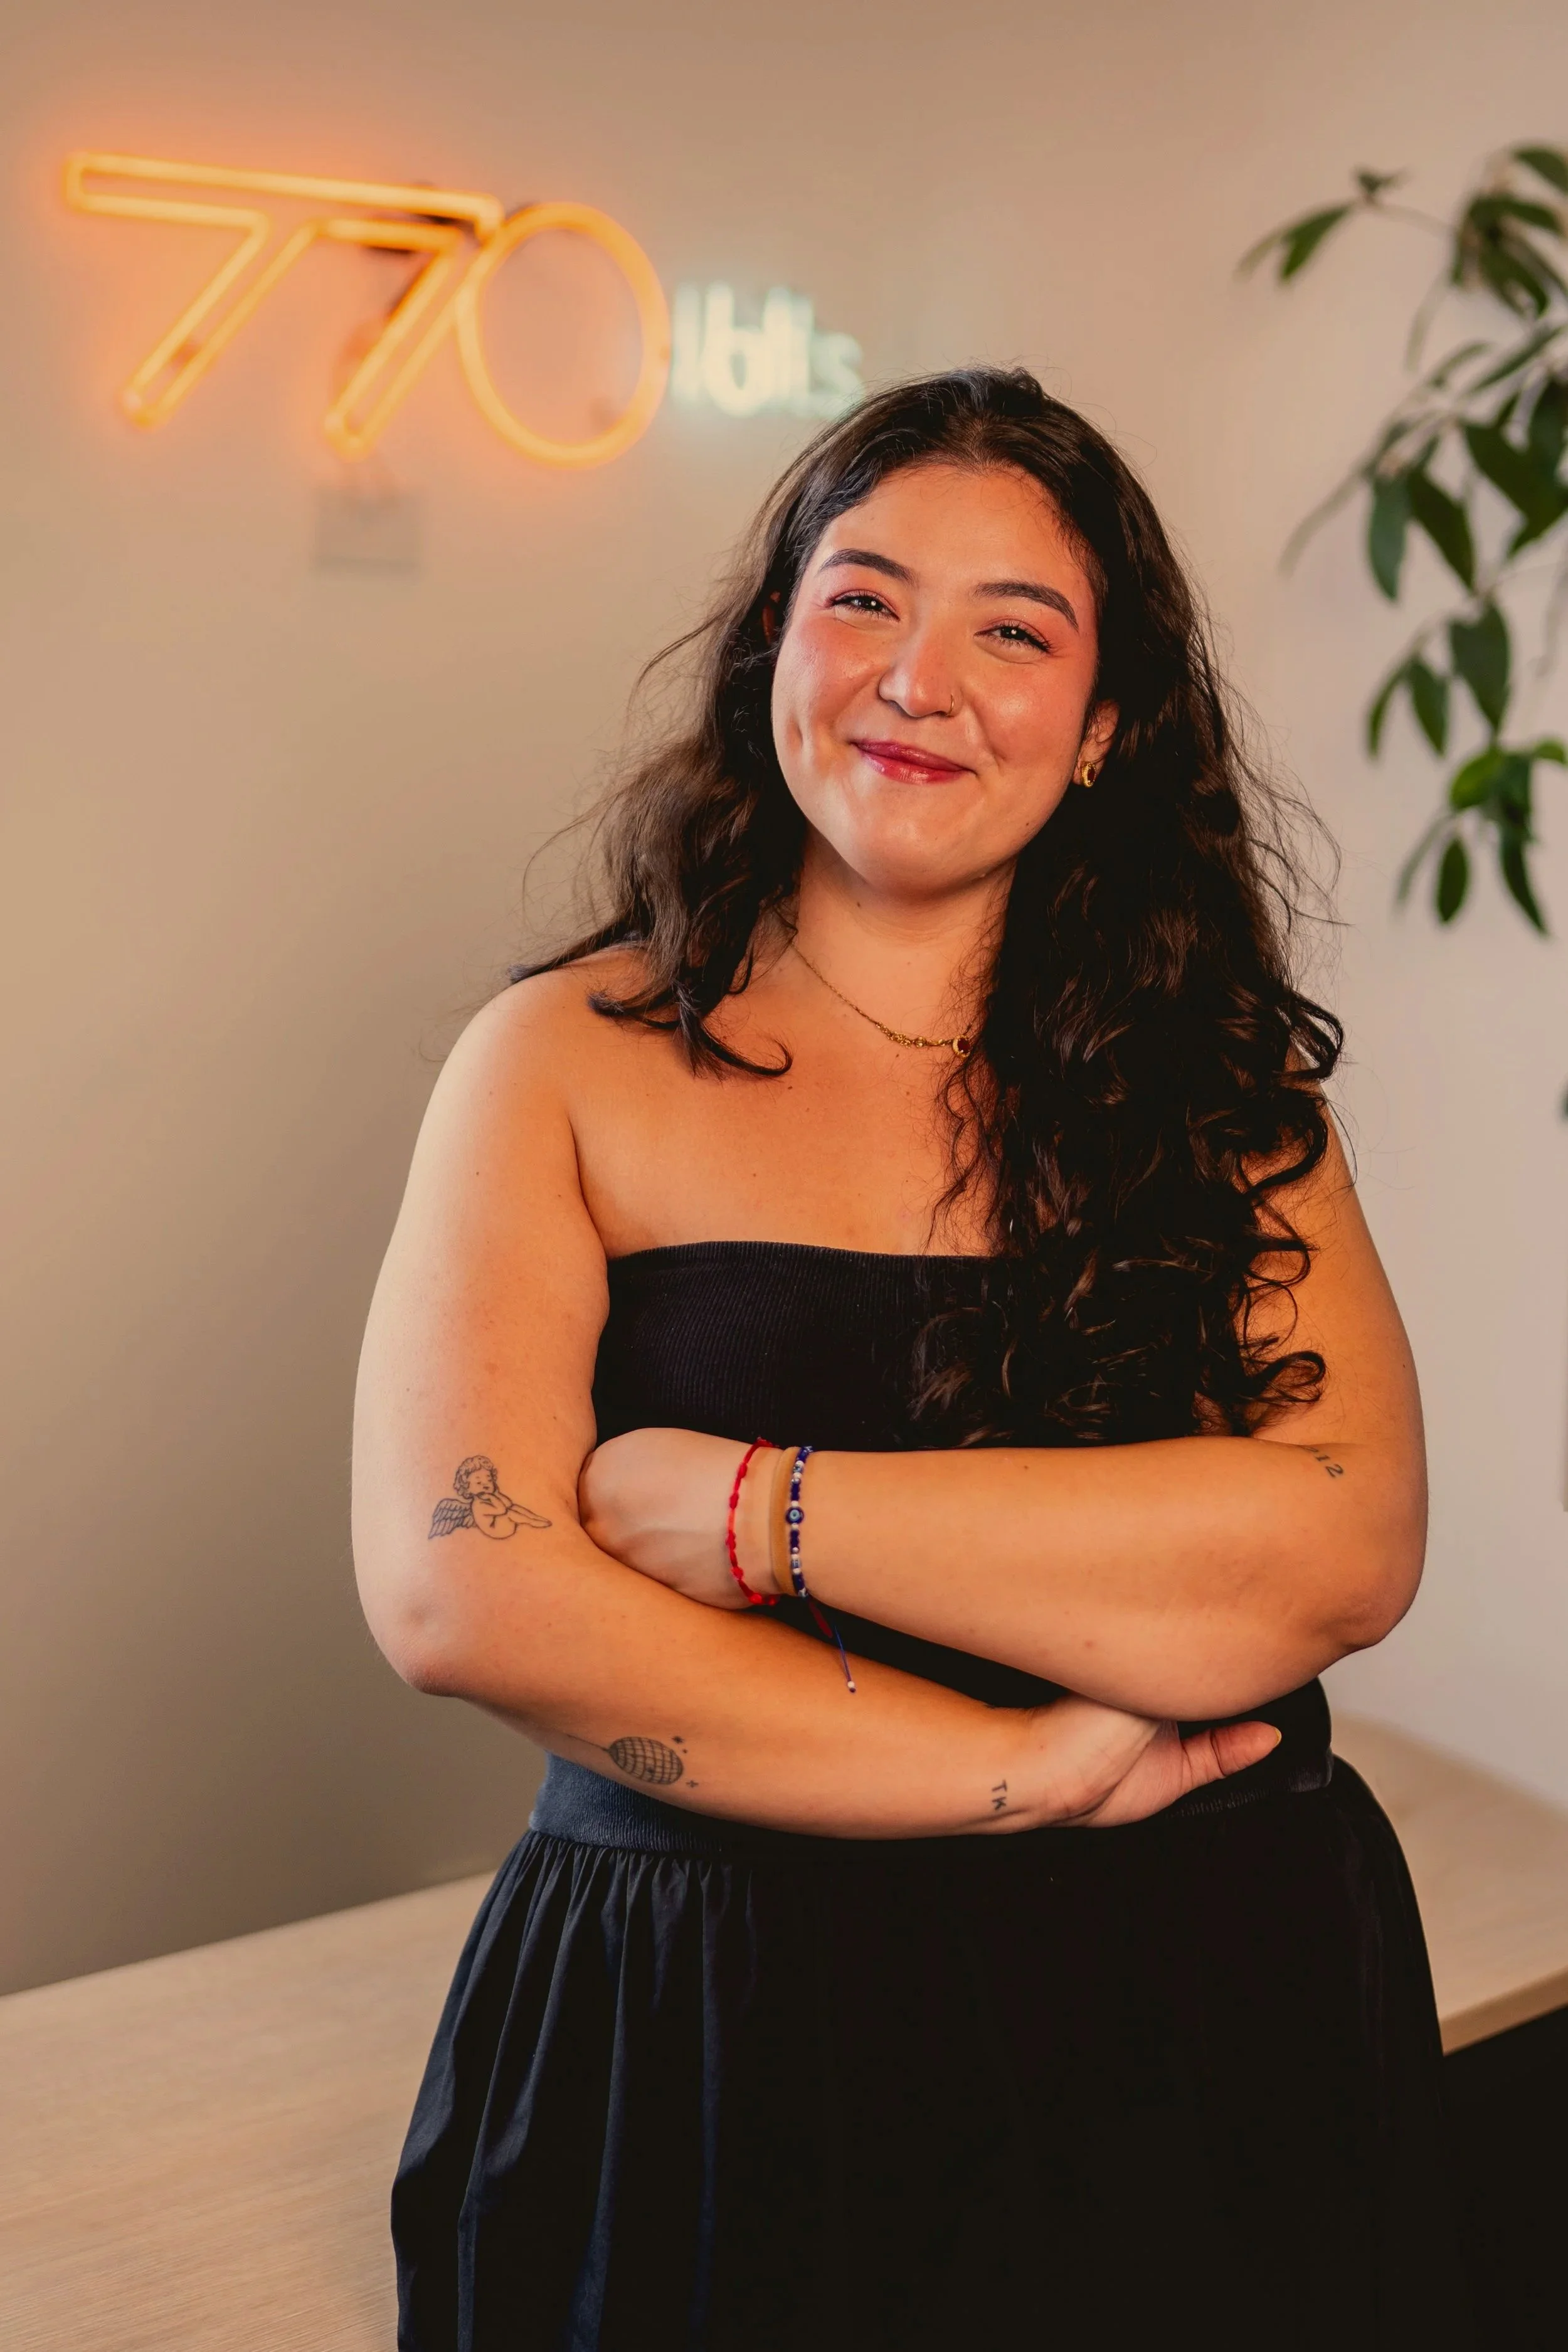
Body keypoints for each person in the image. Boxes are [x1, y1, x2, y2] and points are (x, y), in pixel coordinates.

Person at [352, 368, 1468, 2350]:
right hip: (704, 2016)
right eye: (860, 598)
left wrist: (756, 1508)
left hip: (1207, 1998)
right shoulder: (557, 1059)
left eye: (1013, 629)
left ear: (1106, 724)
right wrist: (1019, 1769)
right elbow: (468, 1587)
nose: (915, 679)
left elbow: (1334, 1548)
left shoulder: (1226, 1103)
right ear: (772, 639)